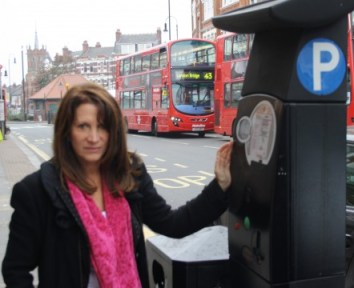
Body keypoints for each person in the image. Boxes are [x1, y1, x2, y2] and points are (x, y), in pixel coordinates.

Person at [2, 82, 233, 288]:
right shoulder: (36, 192)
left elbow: (173, 224)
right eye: (83, 126)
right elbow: (16, 270)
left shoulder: (130, 175)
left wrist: (219, 186)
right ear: (66, 131)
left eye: (102, 126)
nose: (94, 137)